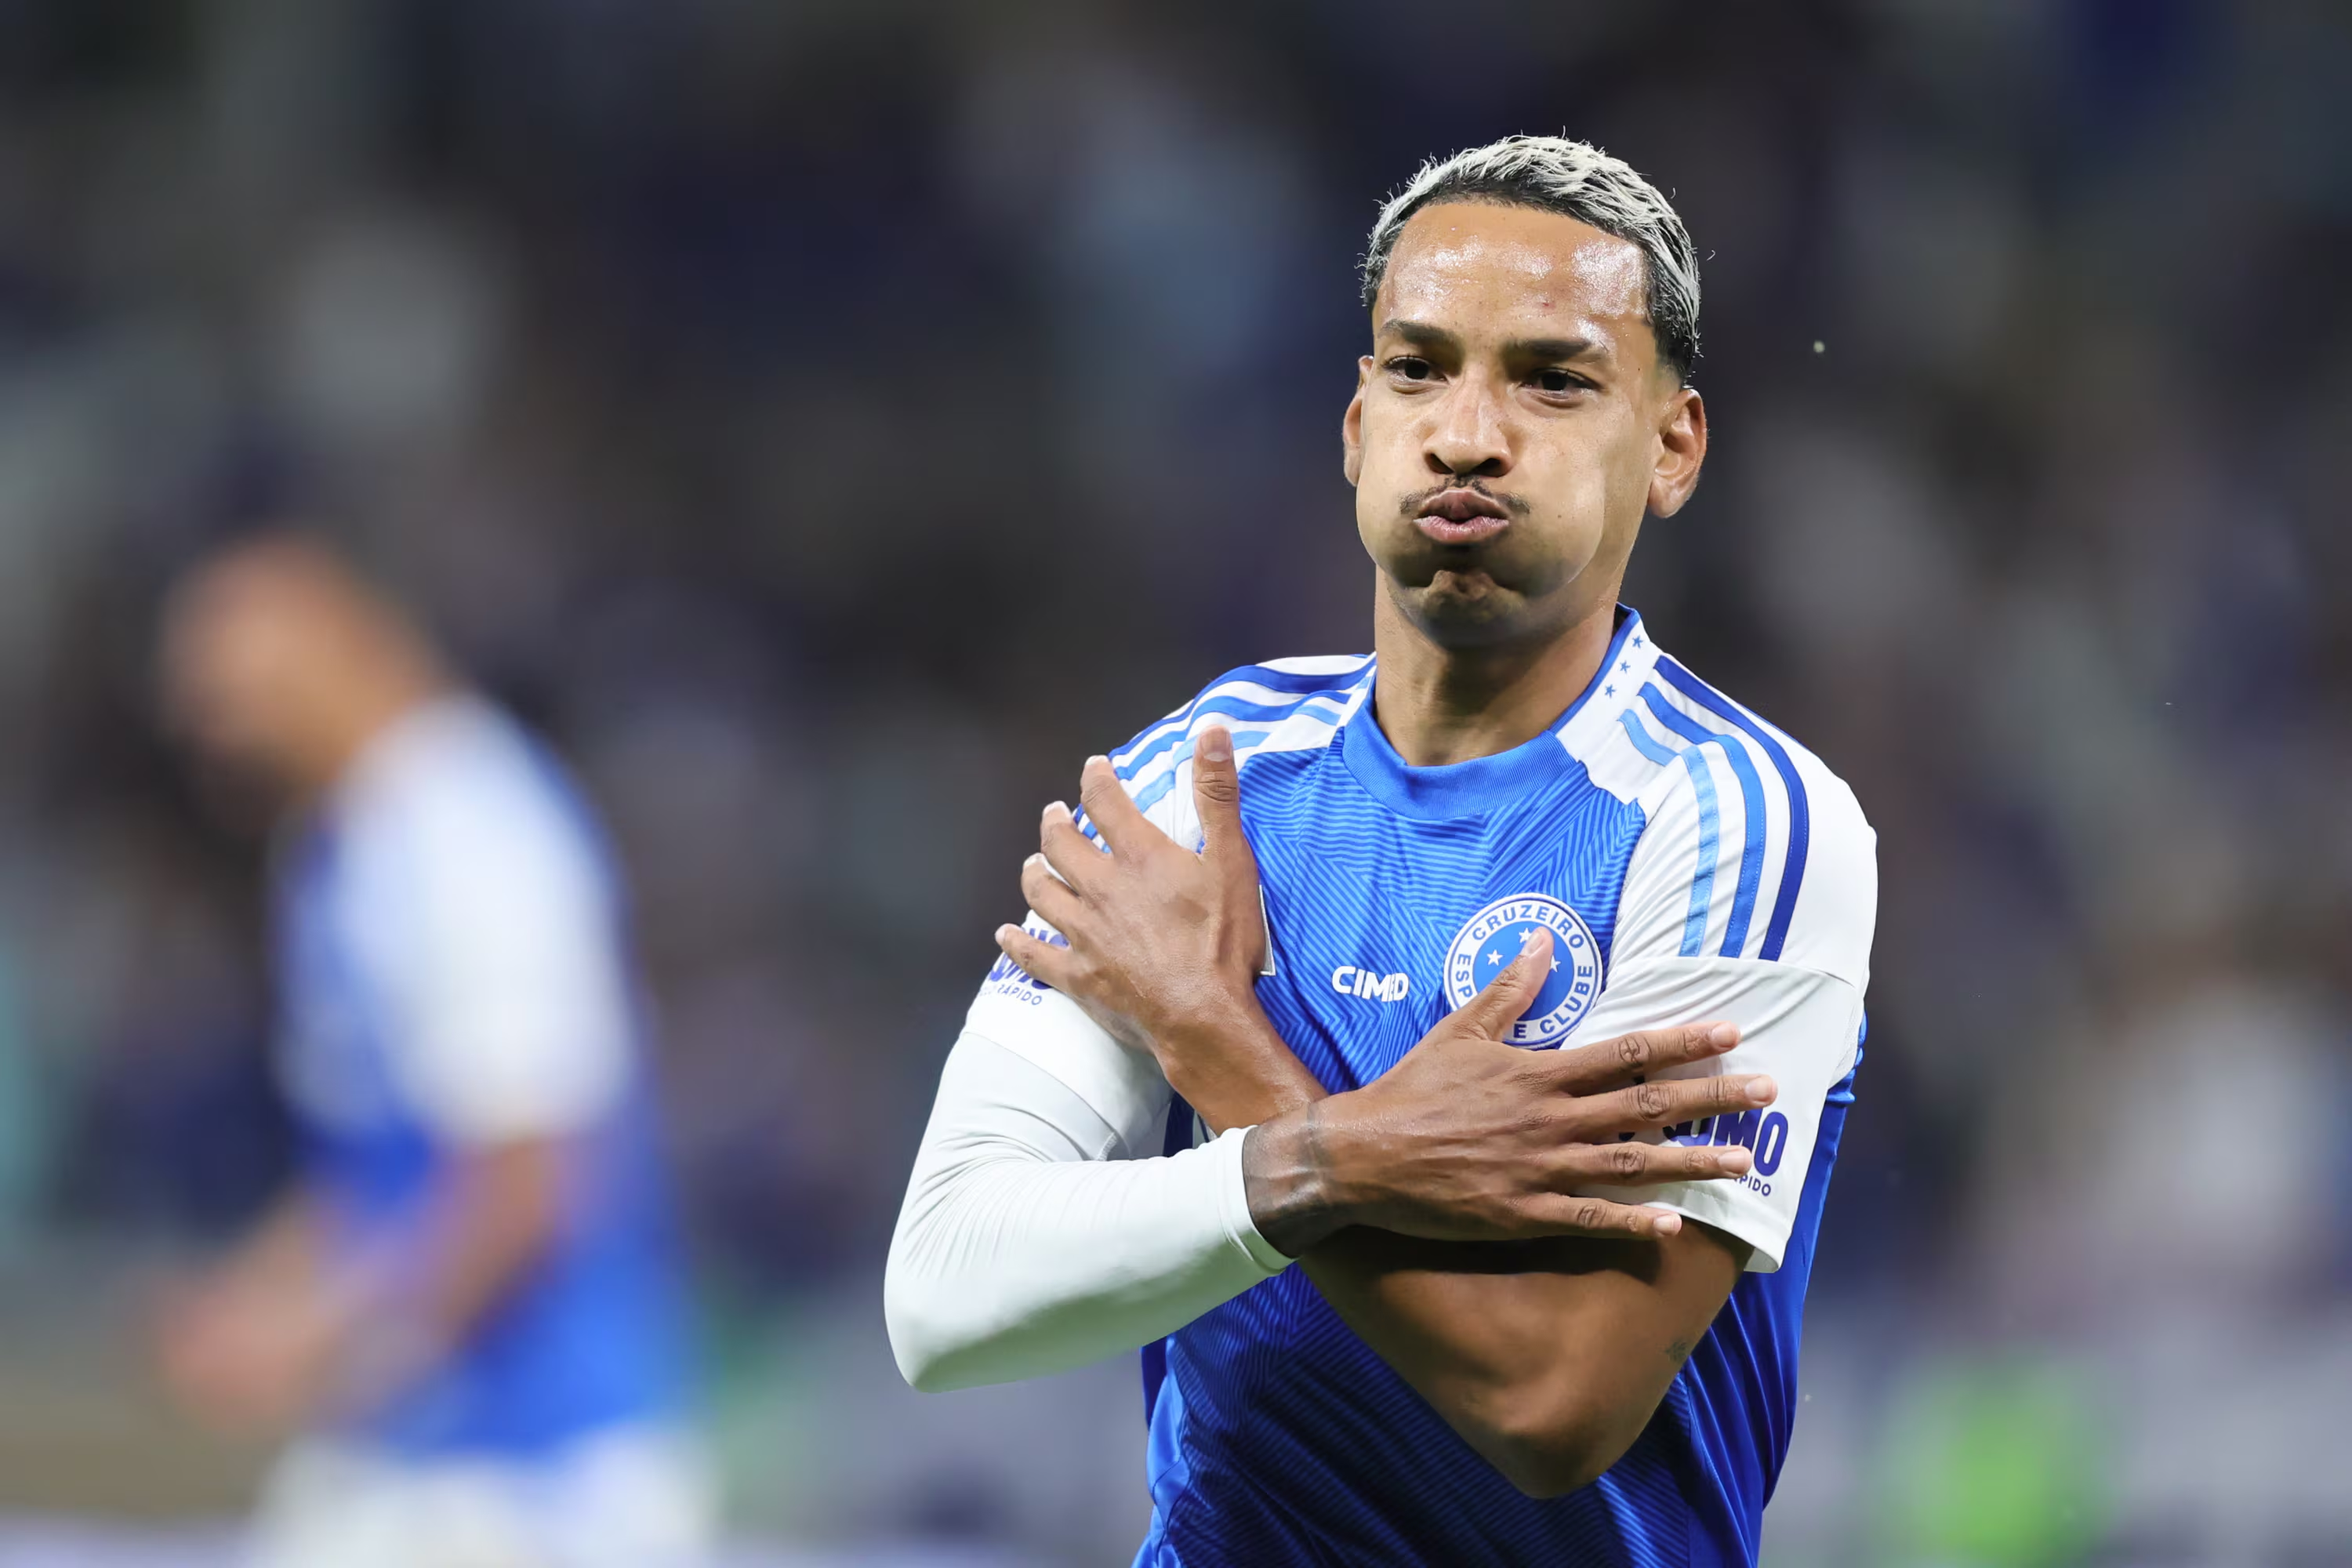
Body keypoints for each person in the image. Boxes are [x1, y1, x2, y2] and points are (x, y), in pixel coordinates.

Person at [886, 136, 1875, 1565]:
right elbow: (943, 1293)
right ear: (1357, 426)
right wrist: (1345, 1154)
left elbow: (1554, 1403)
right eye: (1419, 369)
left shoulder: (1744, 821)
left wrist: (1225, 1053)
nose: (1467, 434)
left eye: (1552, 380)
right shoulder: (1199, 780)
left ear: (1672, 446)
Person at [151, 532, 709, 1568]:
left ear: (344, 639)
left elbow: (529, 1186)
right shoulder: (335, 850)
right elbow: (380, 1176)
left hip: (541, 1478)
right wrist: (251, 1303)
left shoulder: (472, 834)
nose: (217, 735)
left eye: (242, 694)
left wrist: (323, 1343)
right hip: (416, 1455)